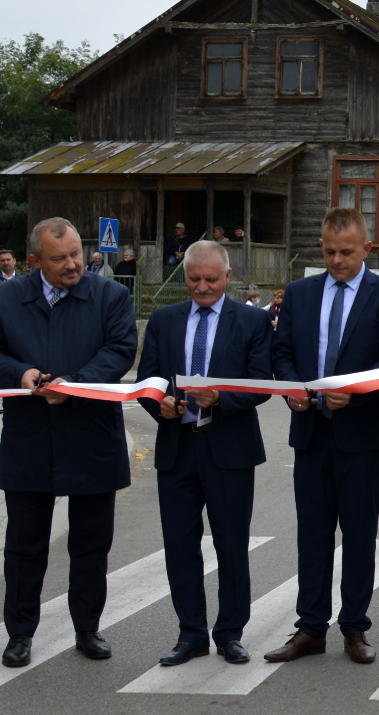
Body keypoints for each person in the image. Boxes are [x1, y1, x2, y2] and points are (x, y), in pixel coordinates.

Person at [0, 217, 138, 668]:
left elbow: (121, 349)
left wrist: (77, 384)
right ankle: (20, 634)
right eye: (59, 258)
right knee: (25, 546)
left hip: (90, 433)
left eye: (76, 255)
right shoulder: (7, 296)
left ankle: (87, 628)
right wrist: (18, 373)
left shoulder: (110, 295)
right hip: (31, 436)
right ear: (33, 262)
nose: (72, 265)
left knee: (90, 543)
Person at [265, 208, 379, 665]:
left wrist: (356, 395)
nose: (336, 260)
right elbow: (282, 352)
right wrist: (293, 391)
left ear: (367, 248)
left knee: (360, 533)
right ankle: (310, 628)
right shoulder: (300, 293)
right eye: (328, 251)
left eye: (346, 252)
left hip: (364, 434)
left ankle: (354, 627)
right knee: (312, 534)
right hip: (311, 431)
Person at [137, 240, 273, 666]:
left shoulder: (251, 320)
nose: (202, 287)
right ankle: (190, 633)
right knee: (180, 545)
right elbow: (149, 379)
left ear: (227, 277)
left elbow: (261, 383)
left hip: (229, 448)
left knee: (232, 545)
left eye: (211, 279)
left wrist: (221, 398)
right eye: (194, 279)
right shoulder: (163, 319)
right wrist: (157, 403)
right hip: (177, 446)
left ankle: (230, 633)